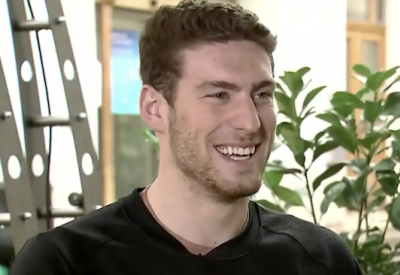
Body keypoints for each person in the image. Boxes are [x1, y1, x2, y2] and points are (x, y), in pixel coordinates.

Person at [10, 1, 363, 274]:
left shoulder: (322, 261)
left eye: (262, 94)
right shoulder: (64, 263)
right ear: (154, 108)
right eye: (219, 95)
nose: (250, 122)